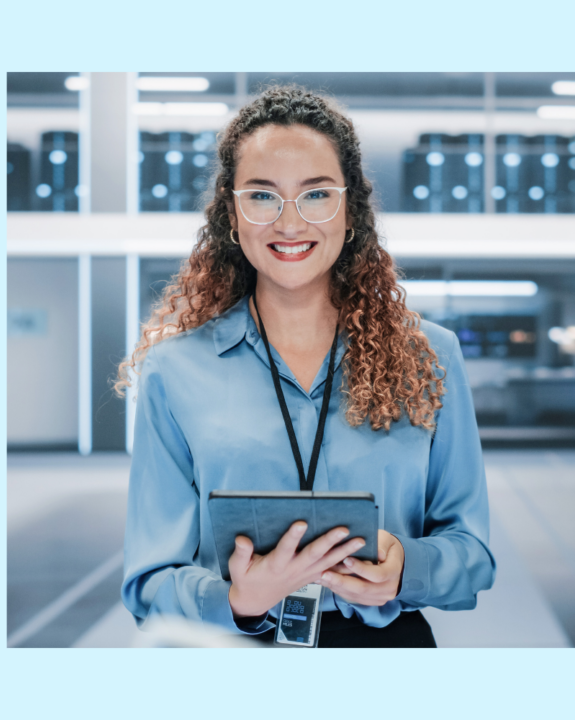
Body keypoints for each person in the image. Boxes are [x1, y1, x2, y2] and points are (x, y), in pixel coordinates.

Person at [116, 85, 496, 648]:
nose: (289, 223)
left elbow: (473, 553)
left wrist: (405, 567)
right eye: (263, 197)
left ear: (350, 211)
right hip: (234, 653)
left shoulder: (429, 357)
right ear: (231, 214)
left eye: (316, 194)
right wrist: (236, 600)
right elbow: (147, 580)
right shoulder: (176, 371)